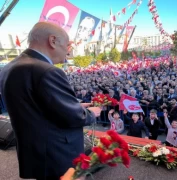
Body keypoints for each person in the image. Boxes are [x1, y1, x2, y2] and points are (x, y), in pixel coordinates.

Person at [0, 22, 102, 180]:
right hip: (57, 151)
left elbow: (35, 105)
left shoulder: (10, 66)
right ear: (53, 41)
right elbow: (74, 117)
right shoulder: (46, 70)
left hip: (36, 150)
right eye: (67, 45)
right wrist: (90, 113)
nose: (68, 52)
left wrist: (74, 105)